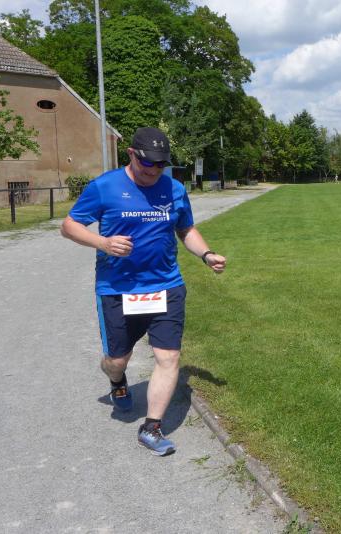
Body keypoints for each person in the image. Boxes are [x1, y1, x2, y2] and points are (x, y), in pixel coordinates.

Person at [61, 127, 226, 456]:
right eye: (147, 163)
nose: (153, 170)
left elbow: (185, 229)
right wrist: (103, 243)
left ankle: (151, 428)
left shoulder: (174, 189)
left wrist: (206, 254)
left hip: (166, 285)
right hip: (118, 289)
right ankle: (117, 380)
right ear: (131, 155)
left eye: (160, 164)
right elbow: (69, 226)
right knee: (116, 360)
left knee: (169, 357)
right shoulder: (105, 186)